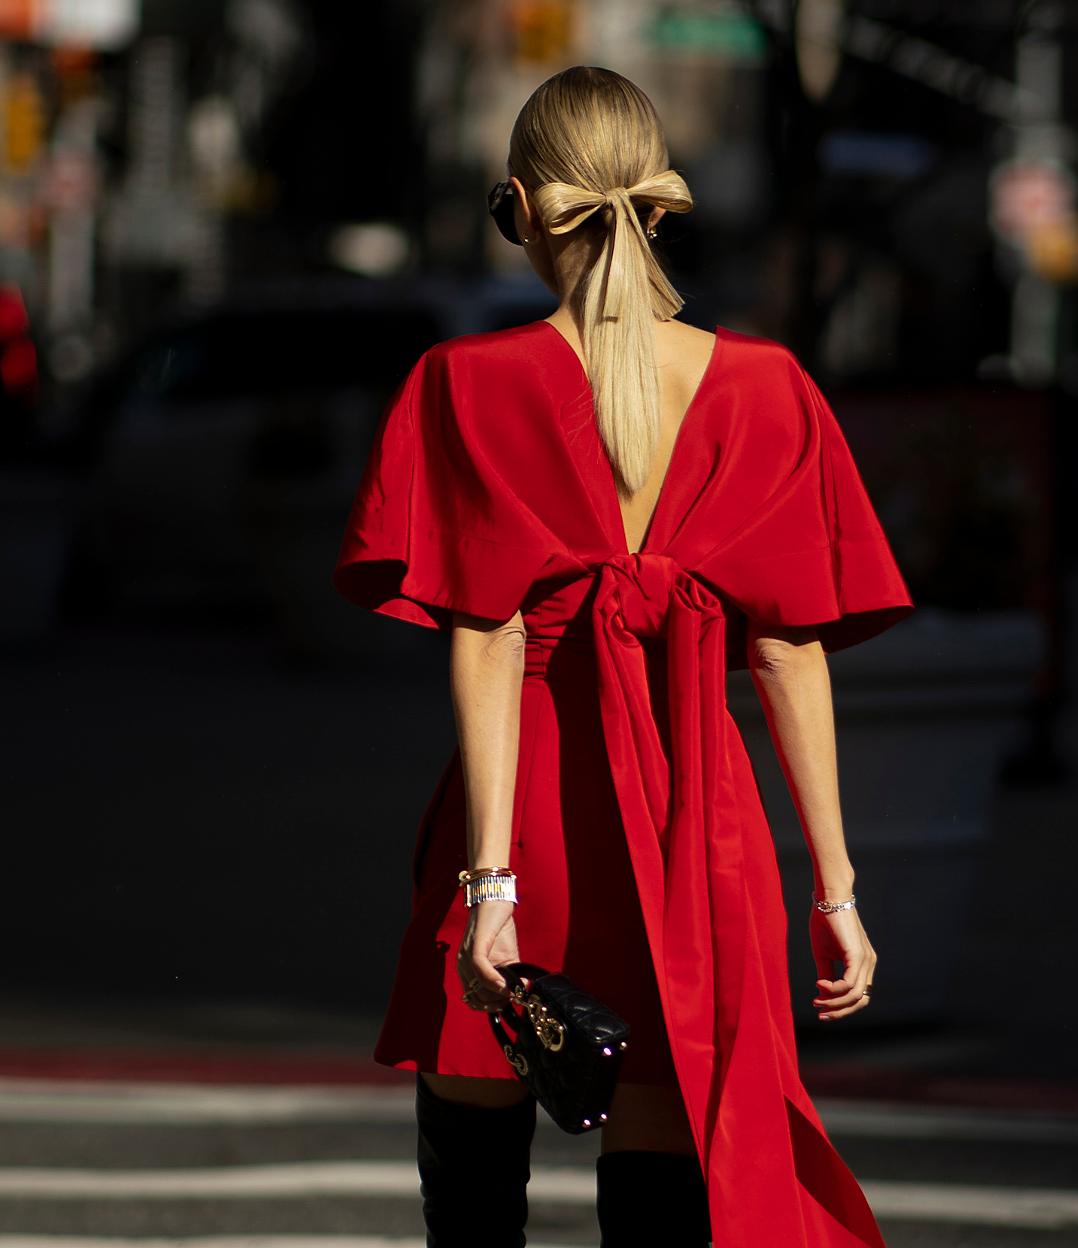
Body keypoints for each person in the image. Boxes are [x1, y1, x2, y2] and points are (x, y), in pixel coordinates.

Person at [333, 64, 913, 1248]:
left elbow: (487, 637)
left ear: (521, 209)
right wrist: (837, 892)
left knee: (475, 1190)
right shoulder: (771, 390)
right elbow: (792, 654)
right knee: (663, 1193)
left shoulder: (465, 385)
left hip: (525, 819)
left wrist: (489, 888)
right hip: (694, 831)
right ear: (658, 209)